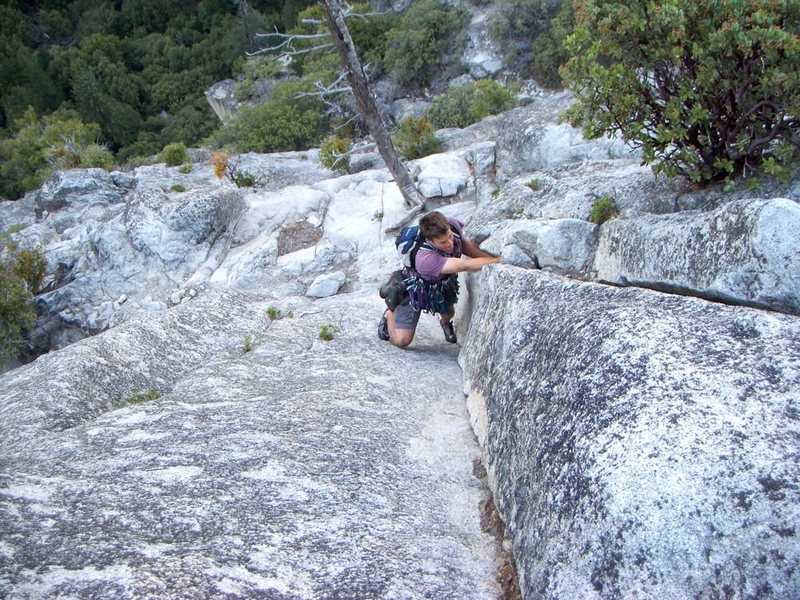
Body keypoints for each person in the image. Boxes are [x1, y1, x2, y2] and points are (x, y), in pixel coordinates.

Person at [378, 210, 500, 348]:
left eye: (449, 237)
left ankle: (445, 323)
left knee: (449, 312)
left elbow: (464, 244)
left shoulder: (452, 225)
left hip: (441, 284)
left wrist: (487, 257)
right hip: (416, 288)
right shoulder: (425, 259)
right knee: (402, 341)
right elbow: (464, 265)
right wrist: (499, 260)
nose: (449, 244)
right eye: (442, 242)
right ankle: (390, 313)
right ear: (430, 240)